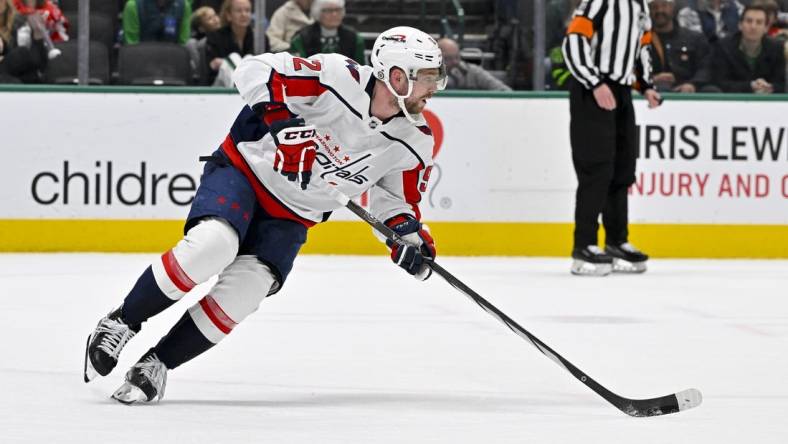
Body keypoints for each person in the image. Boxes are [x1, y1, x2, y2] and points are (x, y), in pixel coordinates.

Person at [83, 25, 445, 404]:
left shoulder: (415, 139)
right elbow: (254, 71)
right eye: (428, 79)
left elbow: (394, 201)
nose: (434, 88)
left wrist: (406, 236)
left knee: (246, 290)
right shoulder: (336, 77)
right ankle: (121, 321)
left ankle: (157, 363)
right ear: (397, 76)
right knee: (212, 246)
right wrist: (283, 125)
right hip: (245, 172)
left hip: (293, 215)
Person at [561, 0, 663, 276]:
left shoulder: (641, 6)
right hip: (592, 88)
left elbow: (642, 46)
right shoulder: (600, 2)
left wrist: (646, 85)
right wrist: (594, 82)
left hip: (621, 89)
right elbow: (574, 42)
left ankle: (617, 240)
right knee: (596, 167)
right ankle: (584, 244)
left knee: (622, 167)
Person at [708, 4, 786, 92]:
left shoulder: (777, 48)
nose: (753, 27)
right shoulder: (723, 46)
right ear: (740, 25)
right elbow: (719, 82)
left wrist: (770, 87)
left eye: (759, 22)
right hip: (733, 101)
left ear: (766, 28)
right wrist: (750, 86)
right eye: (749, 21)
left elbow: (782, 84)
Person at [649, 0, 714, 92]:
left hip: (689, 90)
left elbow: (705, 68)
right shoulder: (640, 41)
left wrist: (693, 84)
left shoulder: (695, 38)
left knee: (711, 91)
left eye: (664, 6)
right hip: (653, 91)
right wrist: (653, 79)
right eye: (654, 7)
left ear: (672, 7)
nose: (659, 10)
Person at [289, 0, 364, 64]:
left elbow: (360, 68)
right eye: (328, 10)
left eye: (338, 10)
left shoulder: (355, 38)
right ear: (318, 13)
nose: (334, 14)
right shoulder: (301, 38)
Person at [205, 0, 256, 86]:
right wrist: (226, 63)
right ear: (229, 15)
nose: (244, 14)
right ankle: (239, 89)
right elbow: (212, 66)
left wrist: (223, 61)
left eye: (247, 10)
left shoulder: (259, 38)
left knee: (249, 58)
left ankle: (242, 89)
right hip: (219, 87)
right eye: (239, 11)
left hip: (252, 84)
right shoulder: (215, 37)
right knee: (234, 57)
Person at [0, 0, 49, 83]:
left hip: (15, 72)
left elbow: (39, 63)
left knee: (31, 75)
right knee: (22, 53)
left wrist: (37, 35)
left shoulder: (19, 21)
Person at [437, 37, 512, 91]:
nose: (455, 62)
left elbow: (505, 91)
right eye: (448, 58)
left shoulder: (473, 72)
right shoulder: (427, 74)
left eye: (457, 57)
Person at [122, 0, 192, 45]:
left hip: (172, 62)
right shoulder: (133, 6)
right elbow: (131, 48)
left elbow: (183, 44)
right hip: (142, 61)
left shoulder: (184, 6)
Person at [677, 0, 744, 43]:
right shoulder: (689, 11)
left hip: (733, 59)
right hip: (705, 60)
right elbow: (697, 44)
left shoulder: (735, 6)